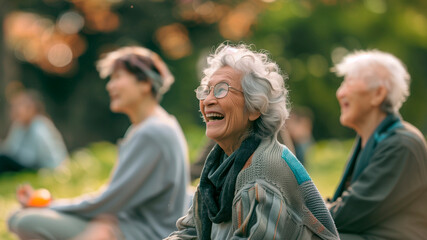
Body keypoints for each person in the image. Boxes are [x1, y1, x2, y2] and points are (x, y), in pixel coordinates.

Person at [8, 46, 190, 240]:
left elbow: (108, 202)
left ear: (145, 83)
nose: (110, 86)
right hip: (126, 225)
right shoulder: (155, 125)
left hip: (143, 233)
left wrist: (50, 204)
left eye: (118, 77)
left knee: (23, 221)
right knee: (19, 218)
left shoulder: (152, 131)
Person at [166, 43, 339, 240]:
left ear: (255, 108)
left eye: (222, 90)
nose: (208, 101)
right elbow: (191, 231)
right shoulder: (219, 162)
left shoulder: (263, 174)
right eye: (207, 90)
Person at [328, 50, 427, 239]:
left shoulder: (402, 145)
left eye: (349, 82)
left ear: (378, 94)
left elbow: (345, 215)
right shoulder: (371, 139)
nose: (340, 93)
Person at [0, 89, 68, 173]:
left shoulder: (39, 126)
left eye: (20, 107)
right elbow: (10, 149)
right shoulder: (19, 125)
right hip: (27, 163)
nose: (17, 111)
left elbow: (35, 157)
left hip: (43, 166)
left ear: (31, 109)